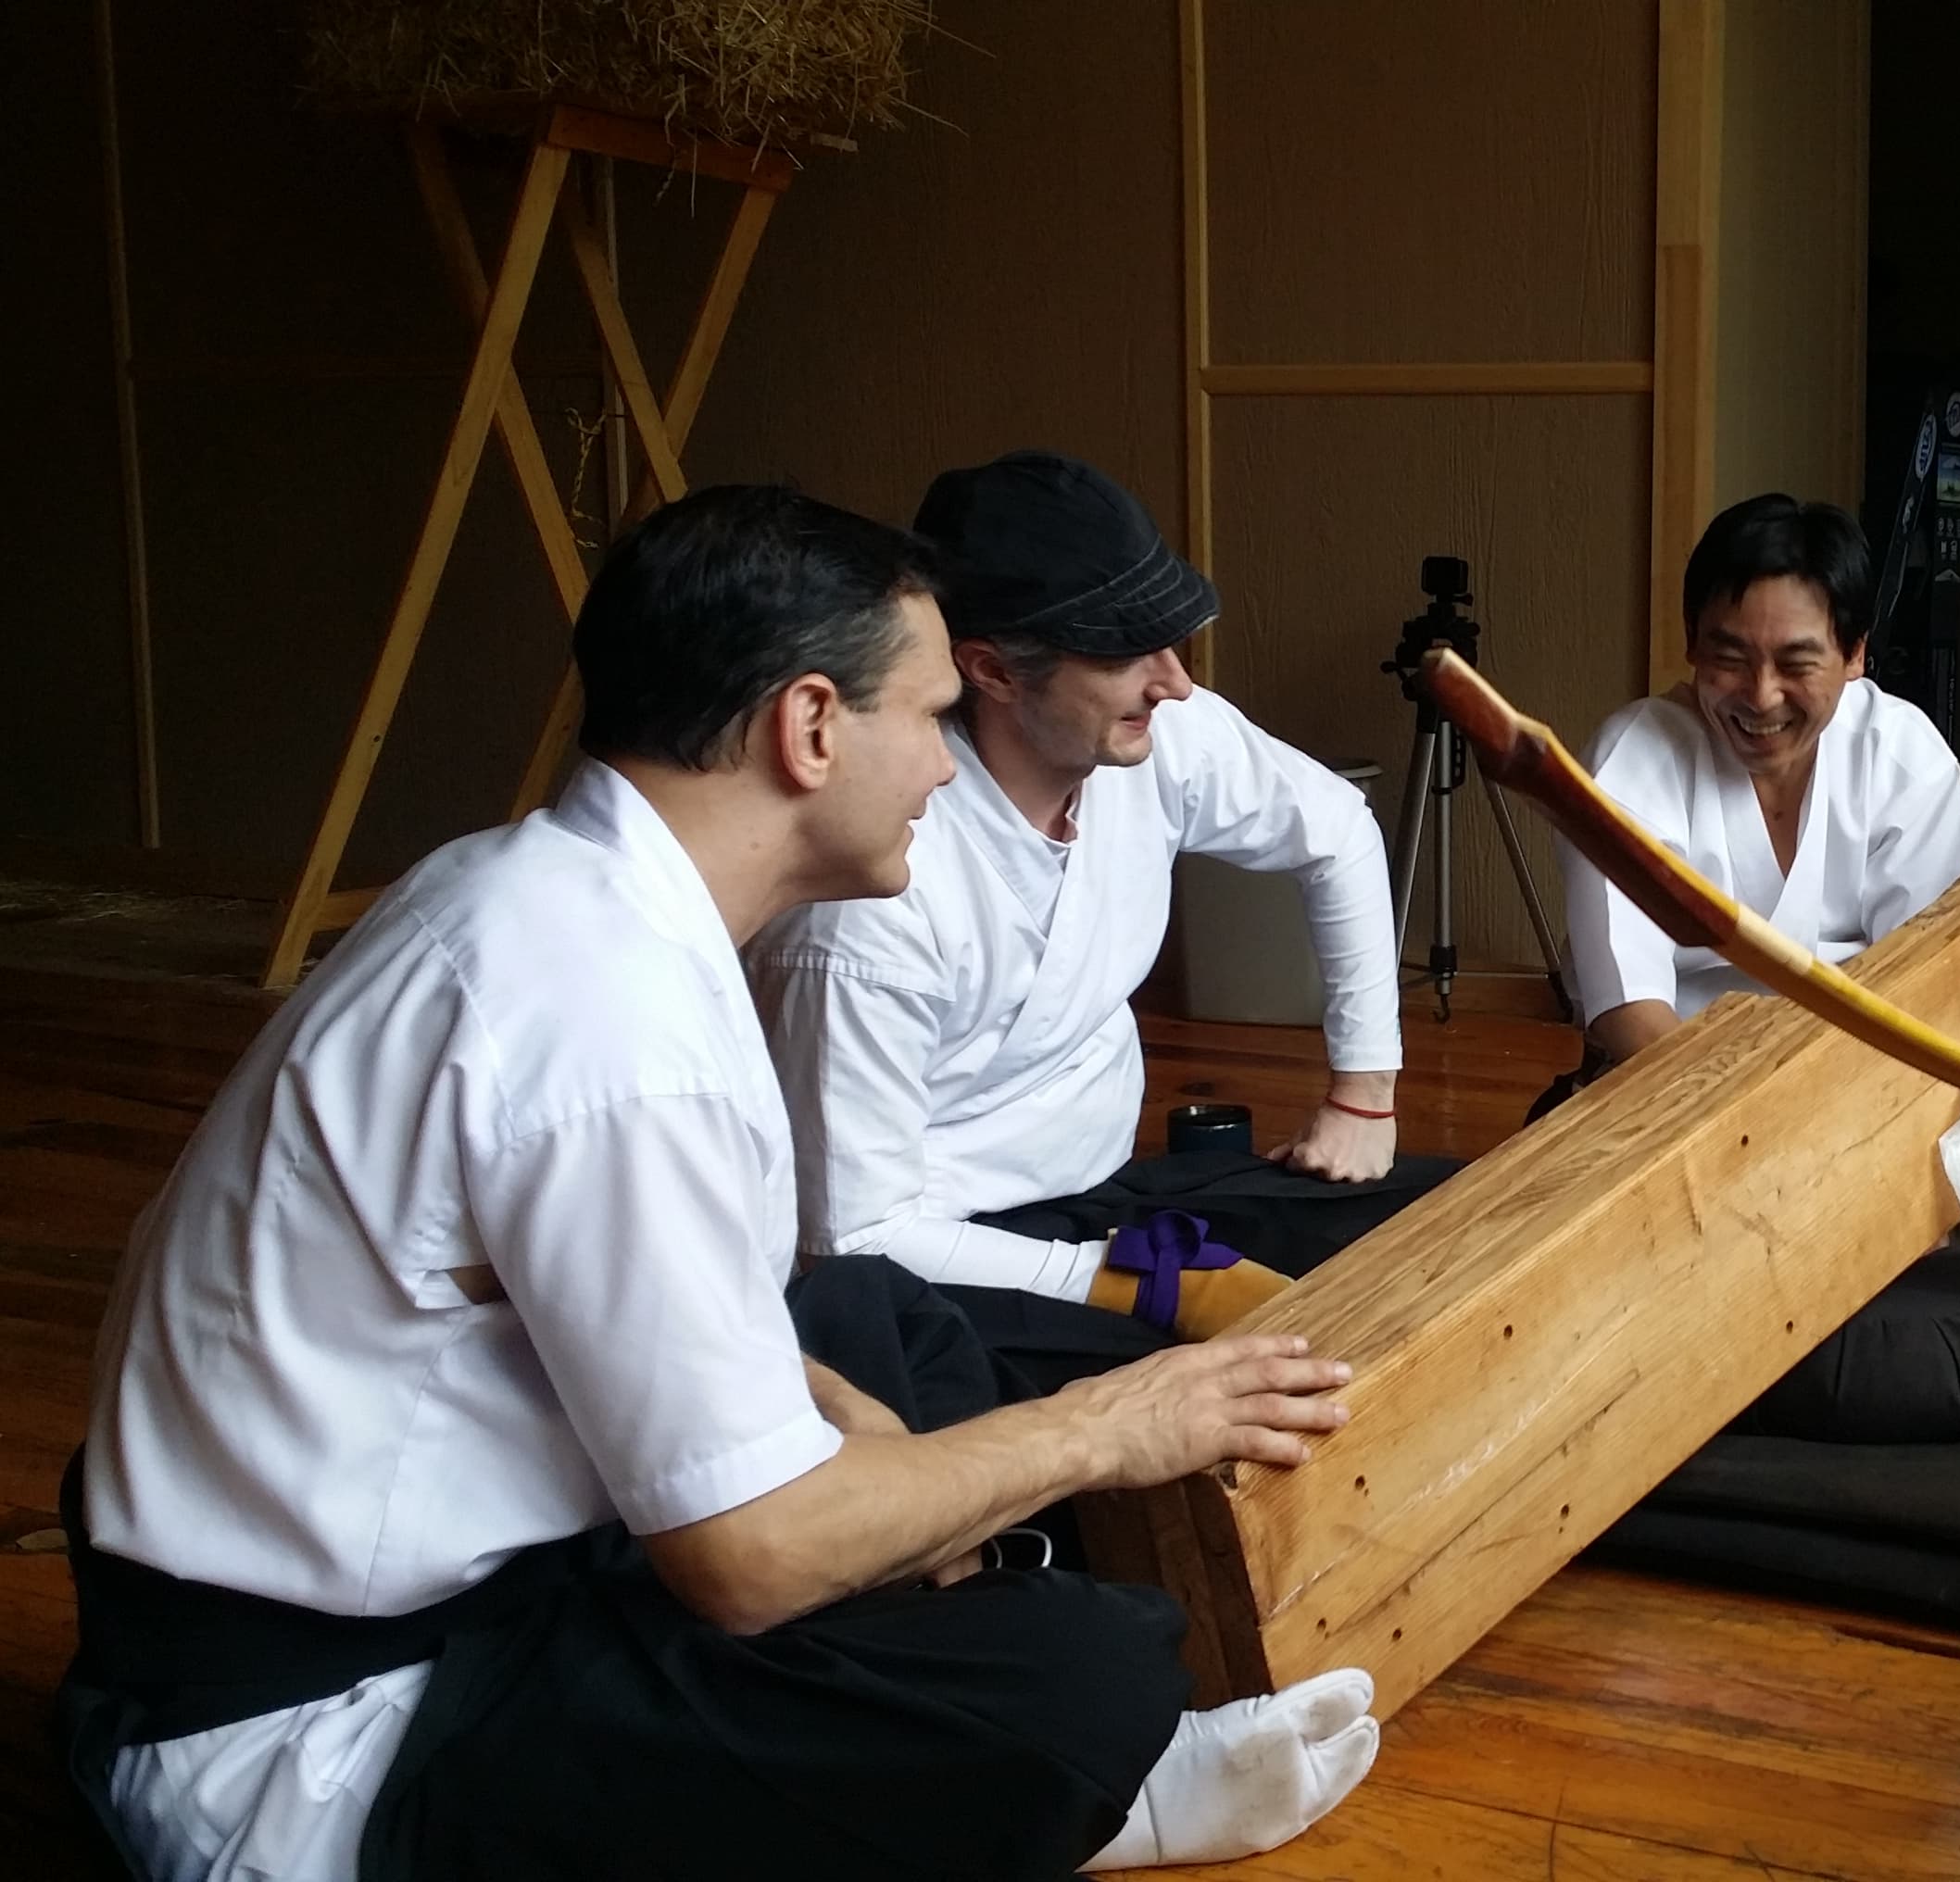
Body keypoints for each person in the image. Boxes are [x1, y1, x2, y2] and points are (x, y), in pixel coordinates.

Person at [58, 485, 1376, 1881]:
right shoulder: (608, 1023)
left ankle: (1005, 1718)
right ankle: (1077, 1781)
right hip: (317, 1733)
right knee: (1079, 1678)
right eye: (928, 720)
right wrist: (1112, 1423)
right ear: (808, 728)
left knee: (882, 1329)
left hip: (484, 1558)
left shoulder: (548, 890)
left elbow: (672, 1302)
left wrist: (866, 1433)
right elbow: (747, 1561)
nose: (946, 768)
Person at [750, 453, 1407, 1338]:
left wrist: (1364, 1091)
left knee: (1441, 1230)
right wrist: (1142, 1287)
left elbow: (1337, 829)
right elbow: (856, 1236)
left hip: (1117, 1190)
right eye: (1126, 649)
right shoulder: (869, 908)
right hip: (944, 1259)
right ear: (992, 671)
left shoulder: (1156, 730)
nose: (1174, 680)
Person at [1556, 493, 1960, 1080]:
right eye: (1731, 657)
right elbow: (1629, 1009)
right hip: (1664, 1089)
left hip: (1867, 1079)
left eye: (1796, 662)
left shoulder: (1903, 759)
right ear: (1692, 642)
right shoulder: (1632, 762)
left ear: (1855, 654)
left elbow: (1929, 982)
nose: (1761, 696)